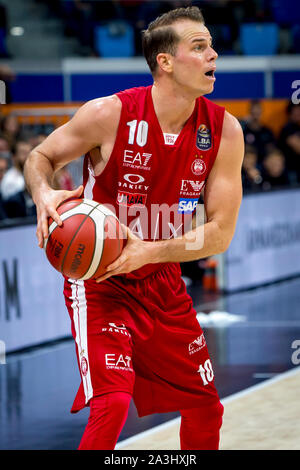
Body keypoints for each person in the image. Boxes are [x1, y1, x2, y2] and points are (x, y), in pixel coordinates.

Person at [24, 6, 244, 450]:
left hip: (162, 280)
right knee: (113, 402)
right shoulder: (109, 113)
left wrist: (152, 252)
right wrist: (44, 195)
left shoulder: (225, 131)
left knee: (207, 409)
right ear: (165, 61)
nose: (213, 55)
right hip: (102, 281)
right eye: (199, 47)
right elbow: (40, 158)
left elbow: (220, 233)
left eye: (212, 45)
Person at [278, 102, 300, 184]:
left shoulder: (298, 127)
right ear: (290, 113)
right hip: (291, 170)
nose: (298, 113)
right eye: (295, 111)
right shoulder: (287, 128)